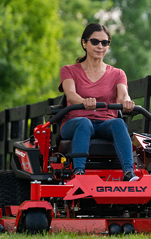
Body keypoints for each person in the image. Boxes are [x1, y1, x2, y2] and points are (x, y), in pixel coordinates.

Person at [59, 23, 138, 181]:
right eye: (95, 42)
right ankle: (79, 173)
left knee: (118, 123)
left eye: (105, 42)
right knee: (84, 123)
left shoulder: (118, 73)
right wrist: (84, 101)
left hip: (104, 124)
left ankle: (129, 173)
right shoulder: (69, 70)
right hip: (75, 123)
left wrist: (128, 102)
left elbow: (123, 95)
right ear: (84, 43)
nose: (100, 46)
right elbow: (70, 94)